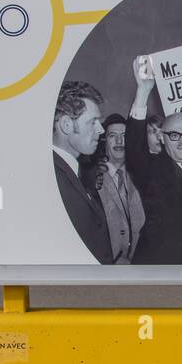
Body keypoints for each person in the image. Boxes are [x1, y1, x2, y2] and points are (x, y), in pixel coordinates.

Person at [125, 56, 182, 263]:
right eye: (174, 136)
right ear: (162, 137)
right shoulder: (151, 169)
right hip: (161, 270)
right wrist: (143, 91)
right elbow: (133, 149)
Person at [52, 80, 113, 264]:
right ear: (66, 125)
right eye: (93, 122)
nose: (101, 130)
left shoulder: (71, 171)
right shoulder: (55, 178)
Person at [96, 113, 145, 264]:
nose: (119, 141)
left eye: (124, 135)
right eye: (112, 135)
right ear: (104, 141)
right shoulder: (92, 178)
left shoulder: (141, 177)